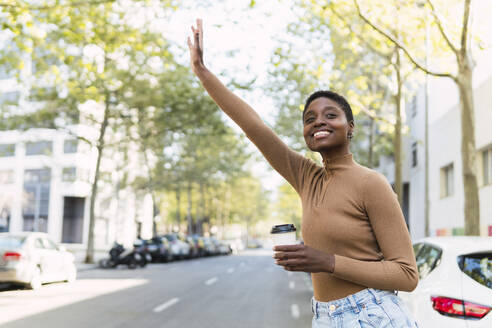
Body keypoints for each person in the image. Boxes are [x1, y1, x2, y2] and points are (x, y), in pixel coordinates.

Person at [187, 19, 419, 328]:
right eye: (310, 119)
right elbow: (254, 126)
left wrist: (325, 262)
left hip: (373, 313)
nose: (318, 122)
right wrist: (202, 72)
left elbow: (407, 275)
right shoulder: (306, 178)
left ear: (350, 127)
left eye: (330, 115)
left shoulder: (371, 183)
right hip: (324, 317)